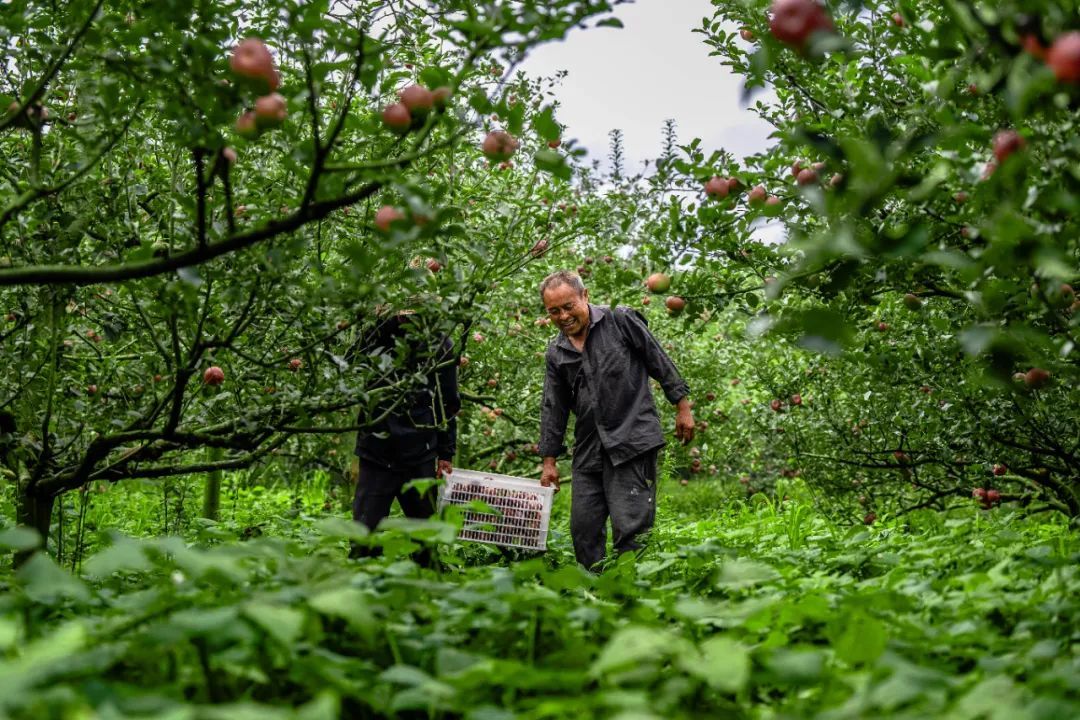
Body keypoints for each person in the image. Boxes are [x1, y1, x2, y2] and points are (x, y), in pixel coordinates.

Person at [537, 270, 695, 570]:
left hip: (632, 439)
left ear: (585, 296)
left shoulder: (620, 321)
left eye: (568, 306)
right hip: (589, 449)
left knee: (631, 527)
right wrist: (549, 460)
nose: (563, 316)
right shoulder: (556, 352)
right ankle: (593, 595)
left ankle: (628, 592)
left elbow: (658, 361)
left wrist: (682, 407)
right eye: (553, 311)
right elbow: (553, 407)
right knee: (583, 530)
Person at [349, 308, 460, 560]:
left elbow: (448, 401)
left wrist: (445, 452)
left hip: (418, 452)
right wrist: (374, 321)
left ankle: (424, 592)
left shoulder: (439, 342)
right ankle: (363, 590)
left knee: (424, 543)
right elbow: (349, 364)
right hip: (376, 450)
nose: (406, 317)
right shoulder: (376, 334)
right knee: (364, 538)